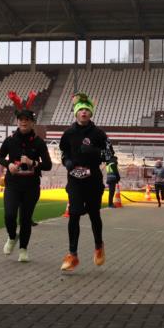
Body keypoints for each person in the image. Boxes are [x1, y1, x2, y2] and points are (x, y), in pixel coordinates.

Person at [59, 93, 114, 272]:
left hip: (93, 180)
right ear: (75, 113)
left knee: (93, 214)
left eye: (86, 110)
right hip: (74, 180)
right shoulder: (68, 134)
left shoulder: (99, 134)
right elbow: (64, 153)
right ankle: (72, 254)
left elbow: (109, 155)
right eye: (80, 109)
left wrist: (93, 151)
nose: (83, 112)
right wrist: (66, 162)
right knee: (73, 214)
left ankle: (99, 245)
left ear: (91, 114)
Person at [0, 92, 52, 262]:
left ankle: (23, 250)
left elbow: (48, 165)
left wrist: (33, 163)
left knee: (26, 219)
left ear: (32, 122)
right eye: (21, 119)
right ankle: (12, 237)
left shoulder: (39, 142)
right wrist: (9, 165)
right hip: (13, 185)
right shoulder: (9, 140)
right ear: (17, 121)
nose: (23, 122)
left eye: (26, 119)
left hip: (31, 187)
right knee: (9, 216)